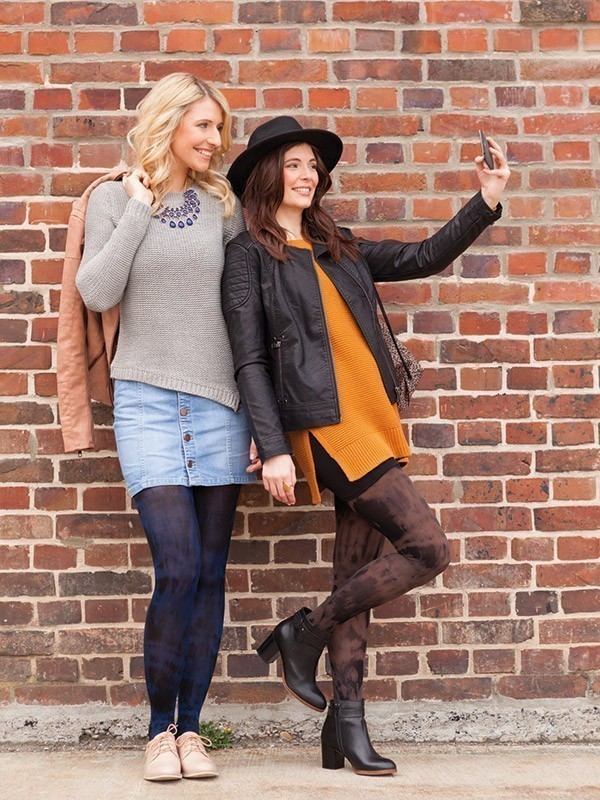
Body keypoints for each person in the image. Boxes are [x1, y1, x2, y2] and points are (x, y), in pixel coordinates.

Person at [222, 116, 509, 776]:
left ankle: (345, 728)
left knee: (356, 575)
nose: (307, 174)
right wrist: (272, 448)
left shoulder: (335, 246)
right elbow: (249, 362)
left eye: (313, 165)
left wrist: (485, 198)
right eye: (293, 163)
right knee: (427, 547)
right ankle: (304, 632)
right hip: (323, 428)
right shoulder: (248, 257)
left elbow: (421, 257)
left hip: (371, 418)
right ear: (269, 175)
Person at [75, 73, 259, 782]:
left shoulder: (224, 205)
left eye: (220, 128)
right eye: (204, 127)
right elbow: (97, 290)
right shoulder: (109, 198)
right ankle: (158, 731)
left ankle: (191, 733)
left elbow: (247, 315)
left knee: (210, 573)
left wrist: (259, 419)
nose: (216, 141)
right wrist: (141, 206)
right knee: (176, 568)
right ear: (168, 124)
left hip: (219, 402)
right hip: (146, 402)